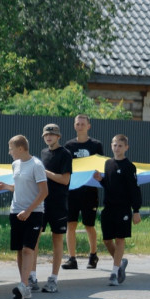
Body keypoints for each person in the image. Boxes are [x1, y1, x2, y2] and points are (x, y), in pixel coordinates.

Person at [0, 135, 48, 299]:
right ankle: (23, 284)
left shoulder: (37, 165)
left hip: (34, 213)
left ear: (20, 148)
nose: (9, 152)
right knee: (19, 249)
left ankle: (24, 285)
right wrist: (6, 187)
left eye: (11, 148)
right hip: (15, 211)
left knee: (28, 248)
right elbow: (19, 187)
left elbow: (43, 192)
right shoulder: (15, 164)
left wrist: (28, 211)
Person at [93, 134, 142, 286]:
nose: (117, 148)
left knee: (119, 239)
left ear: (126, 147)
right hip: (108, 208)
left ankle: (114, 273)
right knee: (107, 240)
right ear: (111, 146)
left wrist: (136, 210)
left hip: (123, 209)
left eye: (120, 145)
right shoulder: (108, 164)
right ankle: (120, 263)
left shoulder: (129, 166)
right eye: (114, 145)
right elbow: (108, 185)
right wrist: (101, 180)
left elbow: (134, 190)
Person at [35, 124, 72, 293]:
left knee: (57, 240)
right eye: (46, 135)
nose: (49, 137)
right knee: (33, 238)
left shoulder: (65, 154)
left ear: (58, 137)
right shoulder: (42, 153)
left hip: (58, 203)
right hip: (42, 202)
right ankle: (32, 276)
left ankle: (53, 279)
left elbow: (65, 180)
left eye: (52, 134)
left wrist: (45, 172)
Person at [63, 114, 104, 270]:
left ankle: (93, 255)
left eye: (82, 124)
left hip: (90, 192)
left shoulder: (96, 145)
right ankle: (72, 258)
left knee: (89, 226)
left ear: (88, 126)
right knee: (70, 225)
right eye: (77, 124)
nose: (80, 126)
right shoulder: (69, 145)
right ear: (74, 126)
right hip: (72, 192)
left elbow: (101, 165)